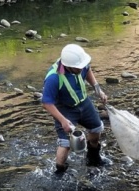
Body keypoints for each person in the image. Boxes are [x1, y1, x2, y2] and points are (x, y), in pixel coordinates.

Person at [42, 44, 109, 175]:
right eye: (78, 68)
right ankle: (60, 170)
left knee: (96, 128)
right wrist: (62, 121)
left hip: (84, 103)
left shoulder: (79, 64)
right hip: (65, 110)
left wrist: (97, 89)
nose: (81, 68)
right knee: (65, 143)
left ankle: (93, 158)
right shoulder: (53, 78)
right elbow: (46, 103)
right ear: (68, 66)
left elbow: (88, 70)